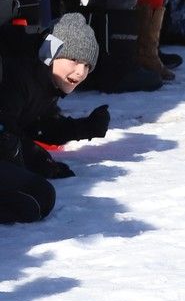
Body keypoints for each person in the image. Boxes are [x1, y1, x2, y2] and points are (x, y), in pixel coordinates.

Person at [0, 13, 108, 180]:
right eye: (73, 59)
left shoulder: (46, 81)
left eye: (87, 65)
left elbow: (38, 125)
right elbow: (4, 129)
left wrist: (83, 128)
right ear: (50, 54)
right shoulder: (19, 75)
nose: (80, 71)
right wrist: (36, 158)